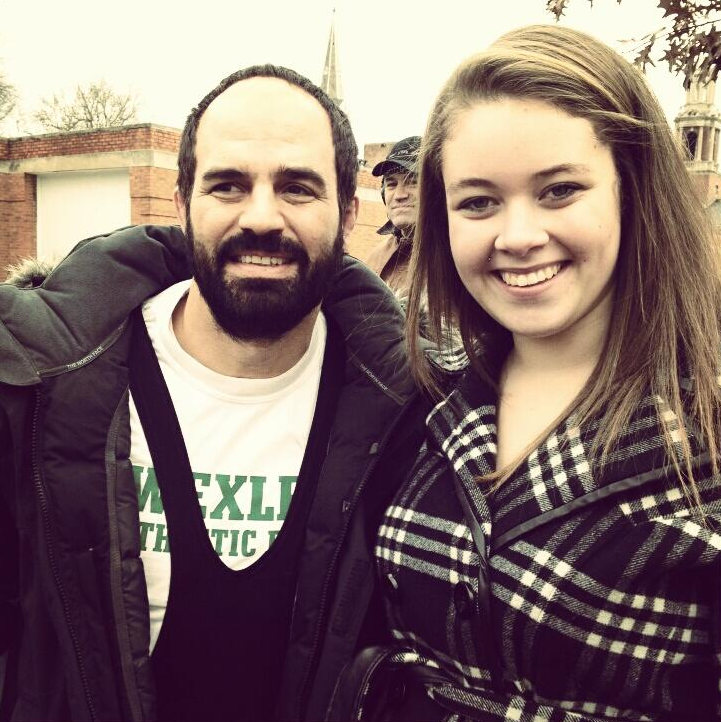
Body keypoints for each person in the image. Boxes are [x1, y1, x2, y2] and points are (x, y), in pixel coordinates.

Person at [0, 65, 426, 722]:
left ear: (347, 214)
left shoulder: (408, 415)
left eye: (297, 187)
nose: (262, 217)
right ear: (181, 205)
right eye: (228, 185)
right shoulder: (39, 387)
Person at [330, 25, 721, 722]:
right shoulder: (424, 402)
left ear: (633, 191)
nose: (516, 236)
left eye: (559, 191)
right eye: (478, 202)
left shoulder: (705, 431)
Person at [365, 136, 420, 300]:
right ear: (383, 194)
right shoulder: (374, 259)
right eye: (391, 184)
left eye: (412, 181)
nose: (399, 195)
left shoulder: (457, 256)